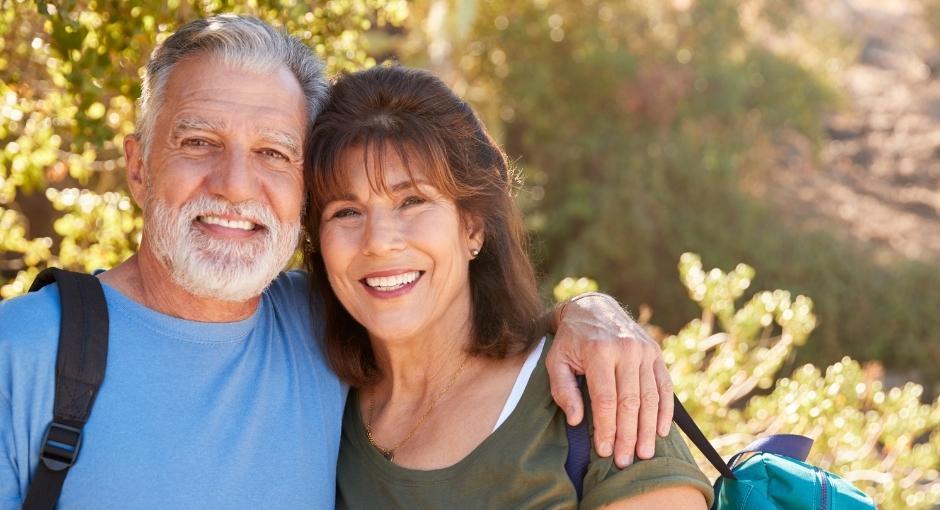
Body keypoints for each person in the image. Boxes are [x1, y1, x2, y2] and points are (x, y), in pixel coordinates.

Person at [0, 15, 675, 509]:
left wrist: (587, 314)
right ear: (140, 167)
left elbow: (441, 305)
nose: (236, 185)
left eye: (273, 152)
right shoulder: (22, 354)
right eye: (199, 141)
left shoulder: (320, 326)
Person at [304, 65, 713, 509]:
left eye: (412, 201)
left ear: (473, 227)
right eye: (346, 211)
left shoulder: (599, 393)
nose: (379, 242)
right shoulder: (320, 407)